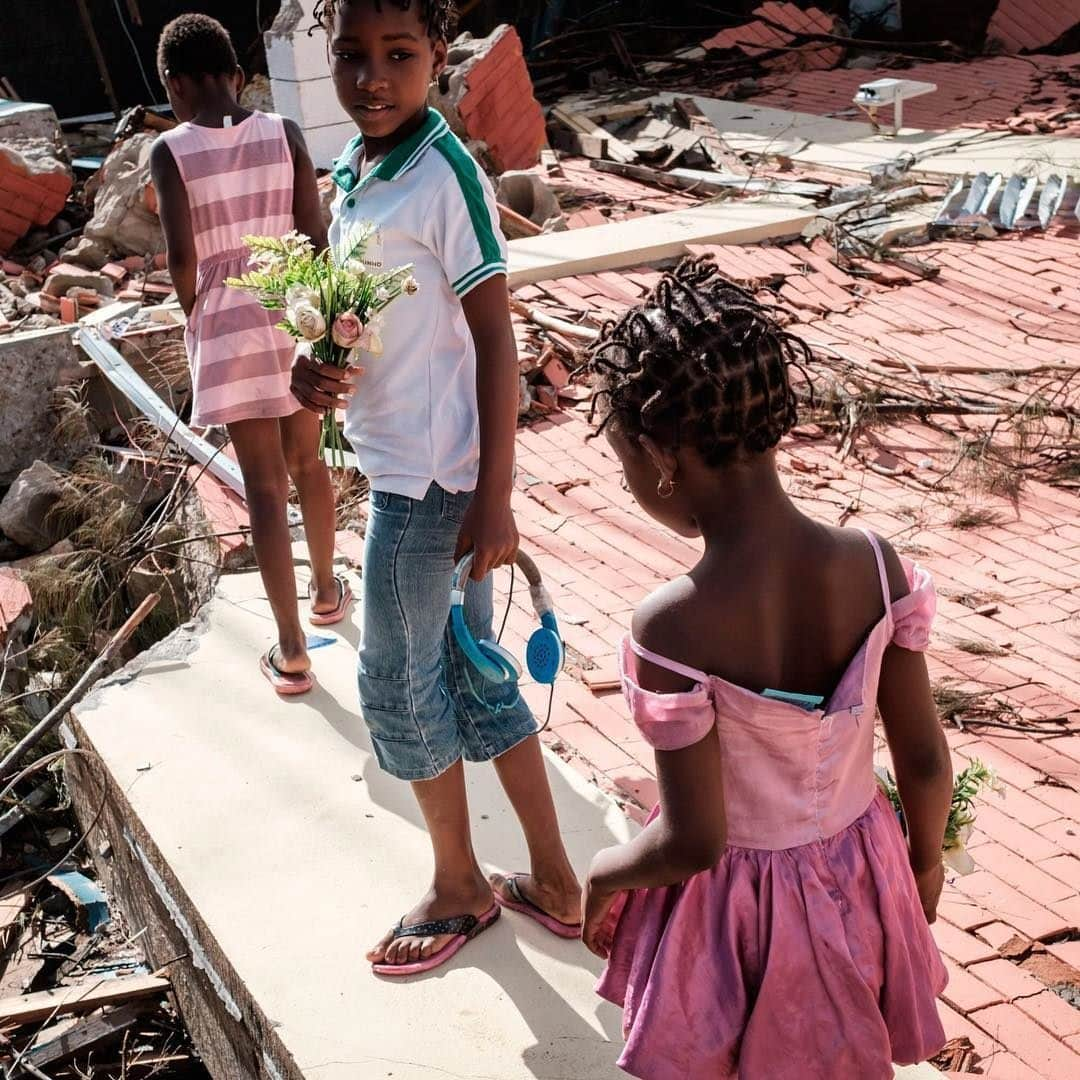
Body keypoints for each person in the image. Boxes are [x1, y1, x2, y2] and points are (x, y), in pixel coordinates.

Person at [579, 258, 952, 1079]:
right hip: (863, 873)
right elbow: (924, 762)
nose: (632, 482)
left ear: (658, 454)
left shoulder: (671, 626)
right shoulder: (876, 567)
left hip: (737, 915)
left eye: (625, 464)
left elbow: (695, 841)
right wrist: (920, 866)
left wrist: (603, 873)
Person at [290, 0, 580, 975]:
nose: (373, 77)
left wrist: (497, 496)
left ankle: (462, 887)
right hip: (400, 466)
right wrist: (314, 371)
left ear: (439, 60)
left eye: (399, 56)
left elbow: (496, 334)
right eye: (354, 56)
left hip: (431, 487)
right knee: (468, 675)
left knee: (399, 684)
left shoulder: (445, 172)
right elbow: (359, 323)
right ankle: (556, 879)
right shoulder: (359, 174)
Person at [151, 14, 348, 697]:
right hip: (294, 308)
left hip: (227, 317)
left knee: (263, 488)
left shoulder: (169, 150)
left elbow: (180, 257)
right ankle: (327, 592)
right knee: (309, 460)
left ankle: (292, 649)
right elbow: (314, 229)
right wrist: (321, 320)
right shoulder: (285, 133)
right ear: (236, 75)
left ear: (176, 85)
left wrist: (200, 311)